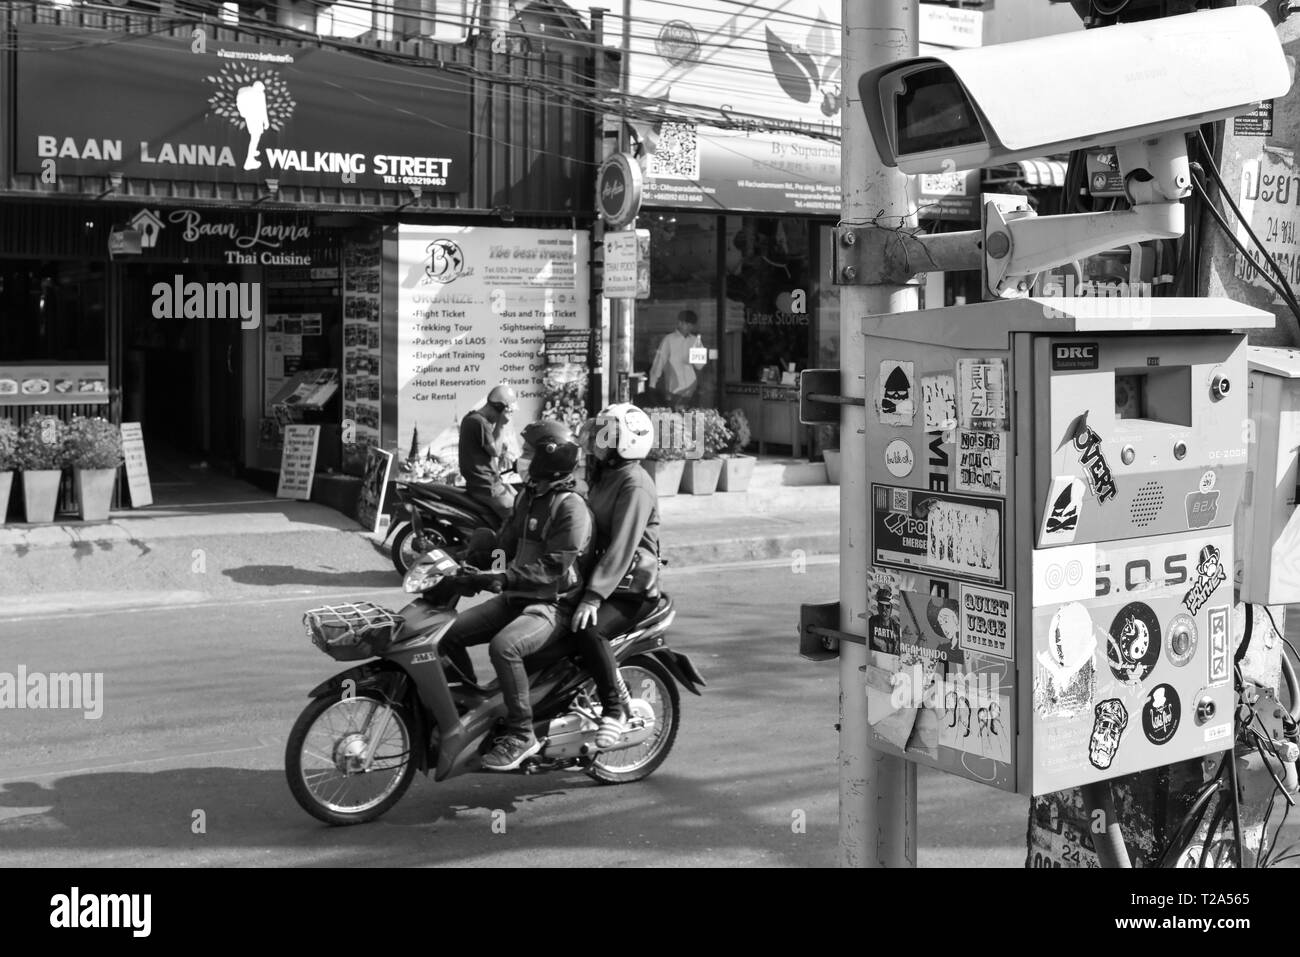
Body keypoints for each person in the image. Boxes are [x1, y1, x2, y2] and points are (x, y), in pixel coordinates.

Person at [439, 429, 594, 771]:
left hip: (552, 605)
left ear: (550, 458)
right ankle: (470, 707)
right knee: (446, 633)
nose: (521, 456)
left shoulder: (572, 508)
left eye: (528, 451)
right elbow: (504, 545)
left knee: (504, 647)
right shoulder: (528, 496)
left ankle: (522, 733)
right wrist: (467, 560)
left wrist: (502, 577)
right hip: (516, 596)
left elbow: (553, 568)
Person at [571, 403, 661, 748]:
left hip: (630, 586)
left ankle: (615, 708)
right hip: (601, 576)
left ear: (626, 443)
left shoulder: (635, 484)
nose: (596, 439)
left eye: (605, 434)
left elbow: (622, 546)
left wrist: (593, 596)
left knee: (589, 630)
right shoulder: (604, 474)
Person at [459, 383, 518, 521]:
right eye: (507, 412)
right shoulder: (479, 423)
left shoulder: (472, 418)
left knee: (519, 500)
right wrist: (502, 425)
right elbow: (495, 451)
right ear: (500, 409)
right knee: (516, 519)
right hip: (485, 486)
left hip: (487, 483)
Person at [648, 309, 706, 410]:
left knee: (691, 420)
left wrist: (693, 357)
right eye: (687, 324)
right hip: (673, 389)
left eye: (691, 325)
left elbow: (700, 366)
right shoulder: (669, 340)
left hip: (691, 388)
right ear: (679, 323)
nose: (689, 327)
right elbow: (659, 362)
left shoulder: (695, 341)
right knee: (675, 421)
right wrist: (652, 384)